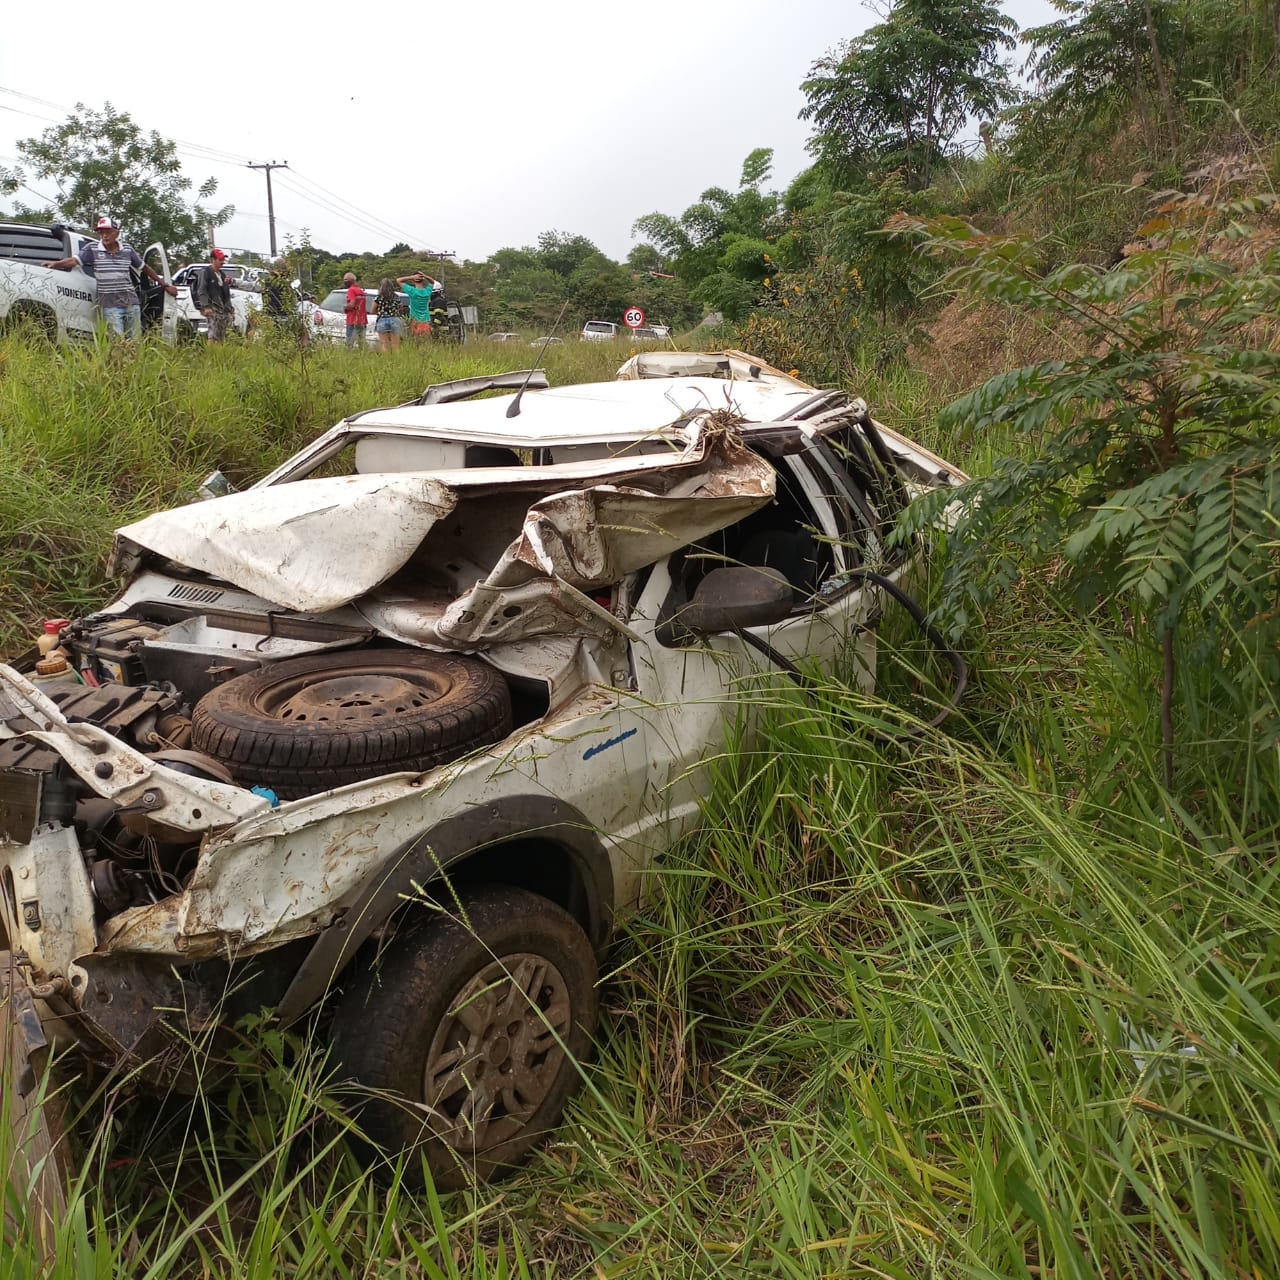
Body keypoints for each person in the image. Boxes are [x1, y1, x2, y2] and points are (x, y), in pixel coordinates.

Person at [43, 216, 178, 339]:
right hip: (110, 305)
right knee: (117, 341)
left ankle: (132, 365)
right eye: (101, 233)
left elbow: (144, 268)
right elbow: (74, 261)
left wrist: (164, 285)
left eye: (108, 232)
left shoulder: (127, 250)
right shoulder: (92, 248)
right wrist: (56, 264)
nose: (105, 236)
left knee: (135, 340)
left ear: (117, 233)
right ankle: (118, 365)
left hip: (131, 303)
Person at [193, 250, 235, 343]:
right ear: (213, 260)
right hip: (212, 308)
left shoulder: (222, 275)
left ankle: (218, 355)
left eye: (223, 259)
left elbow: (226, 294)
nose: (222, 262)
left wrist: (230, 310)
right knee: (212, 333)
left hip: (222, 310)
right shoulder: (205, 272)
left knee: (221, 334)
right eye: (220, 259)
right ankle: (210, 355)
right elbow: (201, 290)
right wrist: (206, 306)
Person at [262, 258, 306, 345]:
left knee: (275, 339)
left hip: (271, 315)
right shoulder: (284, 282)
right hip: (283, 315)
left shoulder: (269, 281)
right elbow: (295, 295)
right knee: (300, 332)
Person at [396, 271, 439, 338]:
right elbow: (432, 282)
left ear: (414, 281)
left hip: (414, 321)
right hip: (426, 321)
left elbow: (398, 280)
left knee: (415, 343)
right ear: (423, 280)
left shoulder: (412, 291)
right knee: (426, 343)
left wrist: (411, 277)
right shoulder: (427, 291)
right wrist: (424, 275)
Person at [372, 277, 403, 353]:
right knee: (396, 345)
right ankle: (397, 362)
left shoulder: (378, 297)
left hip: (382, 319)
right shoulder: (396, 297)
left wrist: (380, 313)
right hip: (395, 319)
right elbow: (401, 308)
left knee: (384, 344)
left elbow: (373, 310)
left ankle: (386, 361)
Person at [343, 271, 368, 348]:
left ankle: (348, 358)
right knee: (362, 343)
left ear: (351, 280)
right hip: (362, 320)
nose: (344, 281)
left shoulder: (351, 290)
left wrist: (345, 307)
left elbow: (352, 304)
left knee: (350, 343)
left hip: (352, 320)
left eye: (346, 280)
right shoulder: (360, 291)